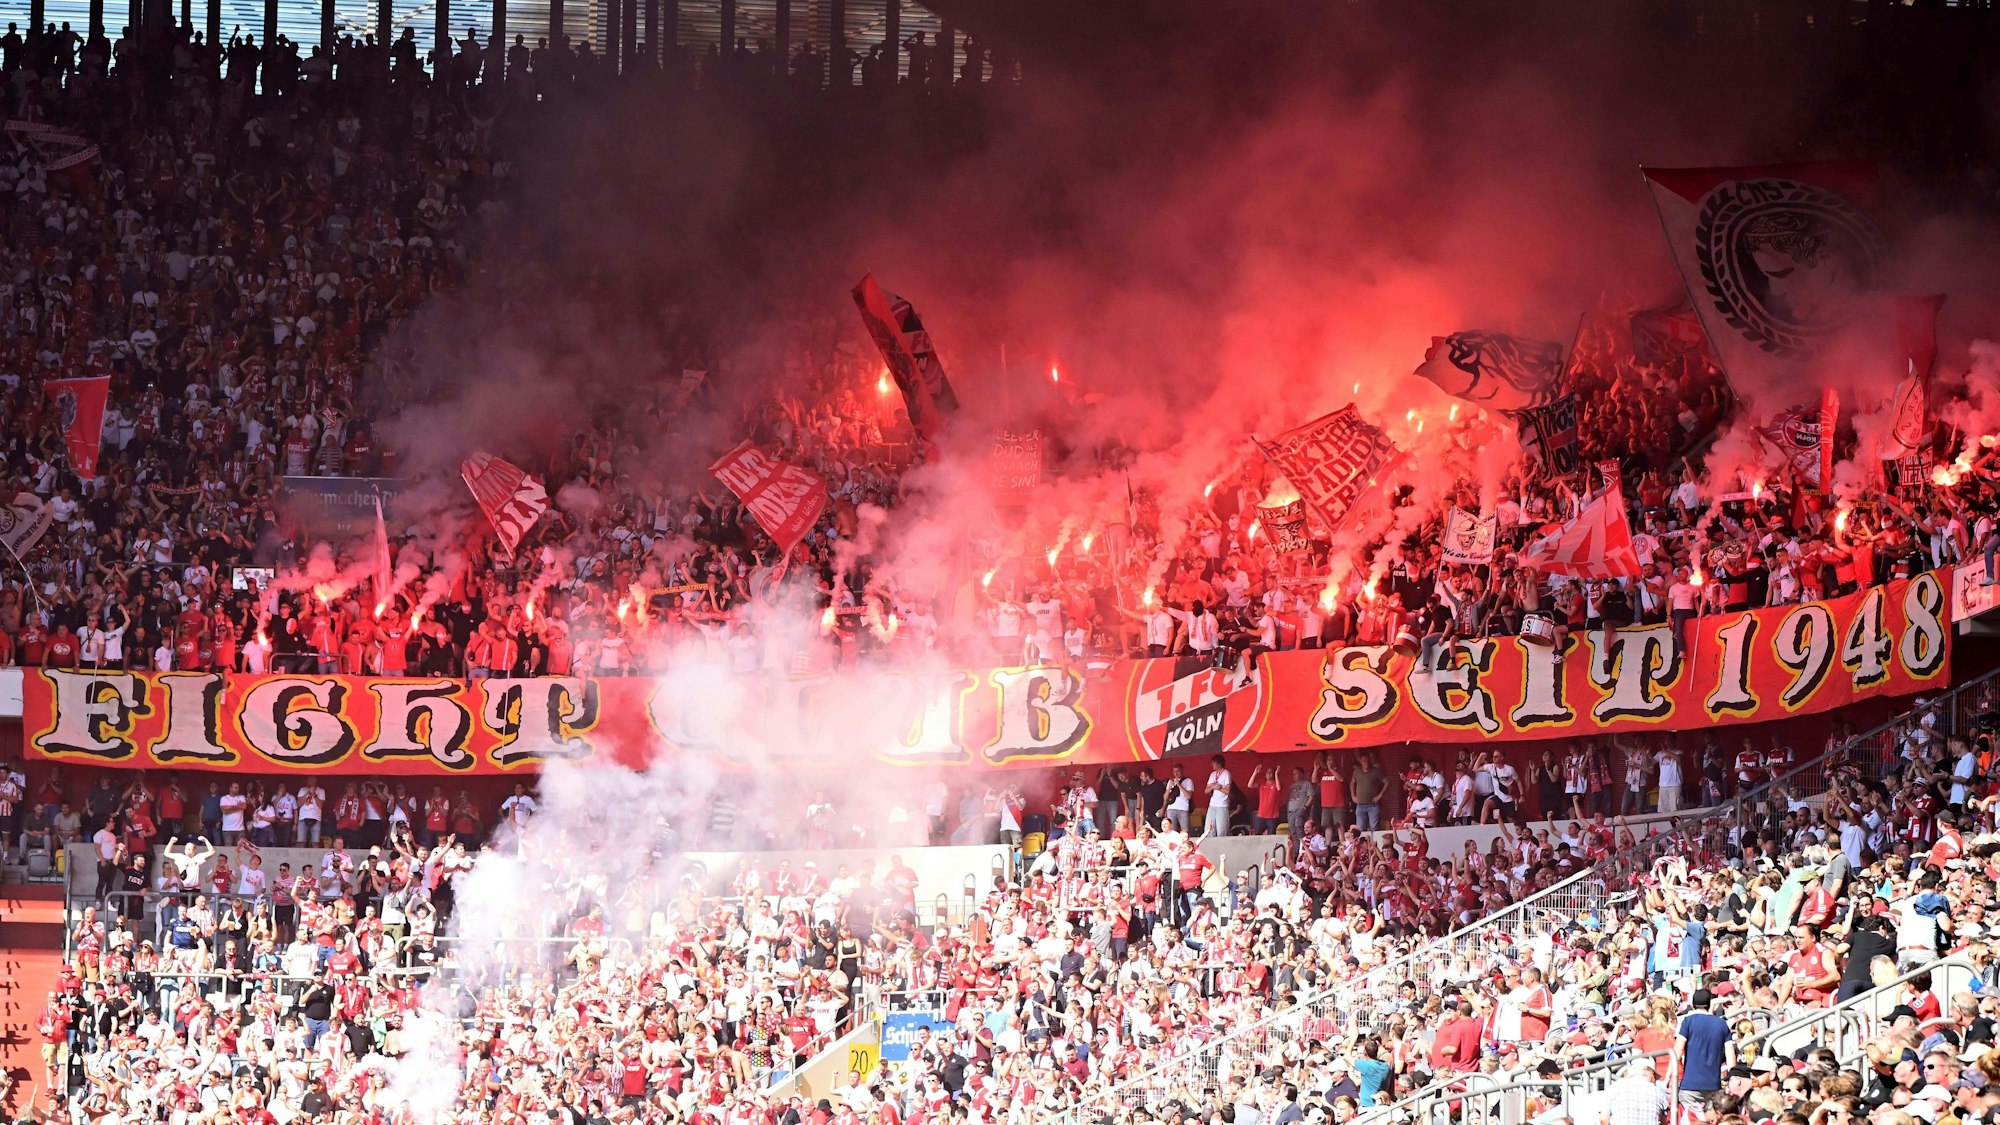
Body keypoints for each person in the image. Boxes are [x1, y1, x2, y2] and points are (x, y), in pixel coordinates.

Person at [1676, 988, 1733, 1101]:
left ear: (1693, 1005)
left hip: (1690, 1085)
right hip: (1713, 1085)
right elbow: (1730, 1056)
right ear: (1709, 1005)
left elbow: (1677, 1051)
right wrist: (1732, 1079)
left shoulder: (1688, 1021)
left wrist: (1669, 1076)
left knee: (1688, 1112)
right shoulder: (1722, 1024)